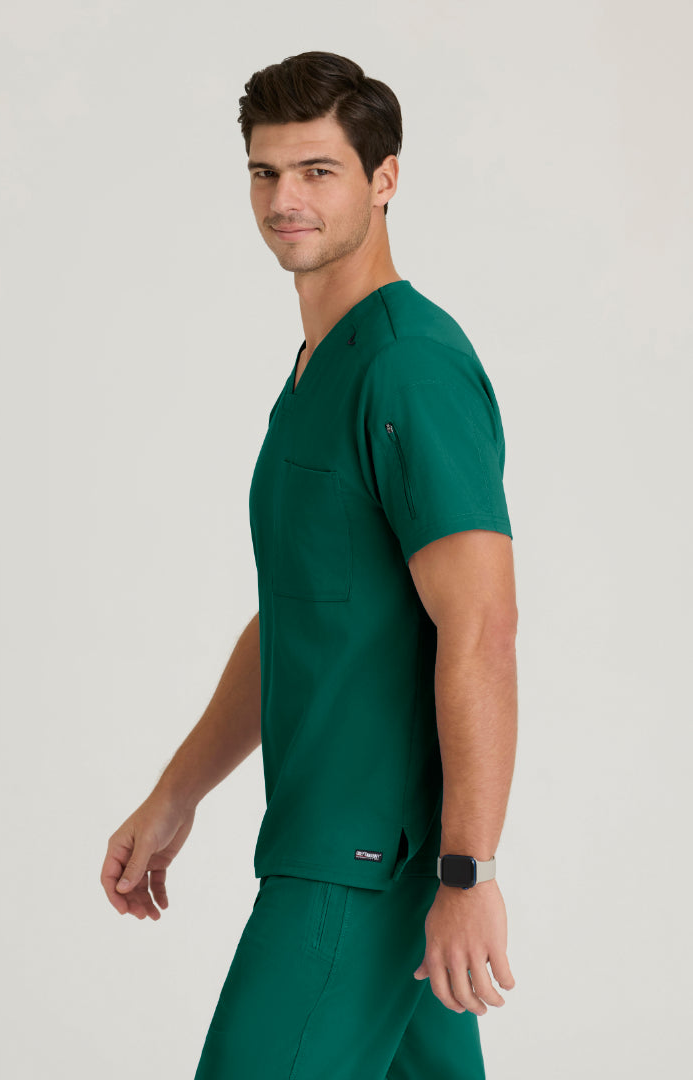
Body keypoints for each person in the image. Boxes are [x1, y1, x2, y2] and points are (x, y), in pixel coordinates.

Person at [101, 50, 518, 1080]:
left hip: (362, 864)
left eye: (318, 171)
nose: (285, 199)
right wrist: (176, 794)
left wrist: (468, 873)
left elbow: (481, 627)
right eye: (265, 171)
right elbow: (299, 614)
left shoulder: (407, 368)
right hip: (335, 846)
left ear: (384, 178)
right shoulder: (317, 371)